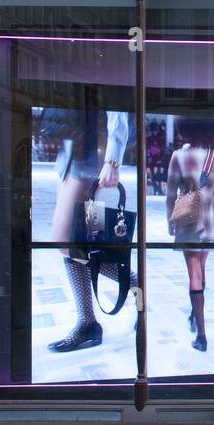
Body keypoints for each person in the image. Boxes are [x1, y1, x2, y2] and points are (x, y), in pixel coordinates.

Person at [40, 104, 132, 353]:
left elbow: (119, 106)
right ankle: (88, 320)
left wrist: (113, 160)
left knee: (66, 241)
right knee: (81, 243)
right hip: (75, 155)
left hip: (92, 158)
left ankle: (133, 283)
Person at [165, 118, 214, 352]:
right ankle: (195, 315)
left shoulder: (178, 157)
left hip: (188, 224)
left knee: (194, 275)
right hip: (211, 226)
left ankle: (201, 334)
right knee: (201, 271)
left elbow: (171, 194)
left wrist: (170, 222)